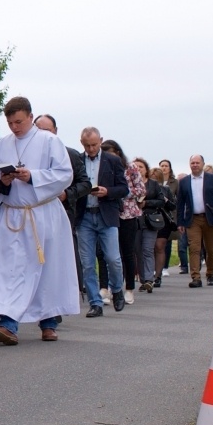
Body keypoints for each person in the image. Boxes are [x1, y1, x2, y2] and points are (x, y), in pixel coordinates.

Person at [0, 97, 78, 344]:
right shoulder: (2, 144)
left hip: (42, 213)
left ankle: (48, 323)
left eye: (19, 122)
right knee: (10, 271)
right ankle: (8, 324)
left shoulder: (49, 141)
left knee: (46, 269)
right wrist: (1, 181)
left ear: (30, 117)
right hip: (12, 216)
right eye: (10, 123)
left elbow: (64, 175)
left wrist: (32, 176)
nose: (15, 127)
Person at [72, 127, 127, 317]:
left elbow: (124, 188)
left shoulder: (113, 161)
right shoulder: (77, 160)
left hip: (106, 214)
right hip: (85, 216)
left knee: (113, 258)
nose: (91, 149)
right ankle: (95, 302)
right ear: (81, 143)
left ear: (101, 141)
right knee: (87, 263)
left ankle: (117, 289)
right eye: (87, 145)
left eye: (94, 145)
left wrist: (107, 192)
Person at [37, 115, 90, 295]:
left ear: (55, 131)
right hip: (34, 216)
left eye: (47, 131)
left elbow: (85, 184)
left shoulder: (71, 155)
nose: (43, 135)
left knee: (63, 258)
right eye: (39, 131)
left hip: (63, 213)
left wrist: (67, 194)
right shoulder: (27, 156)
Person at [101, 139, 143, 305]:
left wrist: (118, 191)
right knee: (108, 254)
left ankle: (129, 288)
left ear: (118, 153)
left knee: (127, 252)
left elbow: (140, 189)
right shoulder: (102, 167)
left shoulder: (130, 167)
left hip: (127, 214)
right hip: (108, 213)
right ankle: (108, 288)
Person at [176, 154, 213, 287]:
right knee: (194, 248)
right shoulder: (184, 181)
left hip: (209, 218)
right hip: (193, 219)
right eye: (192, 163)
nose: (195, 165)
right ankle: (195, 277)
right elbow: (180, 203)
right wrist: (180, 222)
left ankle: (210, 274)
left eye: (197, 163)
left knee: (210, 249)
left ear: (203, 164)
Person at [134, 158, 172, 292]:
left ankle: (149, 279)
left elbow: (161, 201)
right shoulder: (129, 184)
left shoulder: (153, 184)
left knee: (148, 249)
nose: (138, 169)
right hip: (134, 221)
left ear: (146, 170)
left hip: (150, 220)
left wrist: (147, 203)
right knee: (137, 251)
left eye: (141, 166)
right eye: (135, 166)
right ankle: (143, 279)